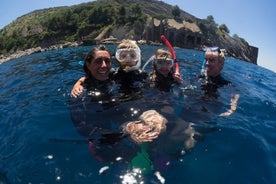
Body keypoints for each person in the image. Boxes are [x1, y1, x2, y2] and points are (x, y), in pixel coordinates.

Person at [69, 45, 161, 162]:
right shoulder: (80, 94)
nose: (104, 65)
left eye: (107, 61)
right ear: (88, 64)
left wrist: (150, 115)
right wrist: (126, 130)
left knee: (154, 133)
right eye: (98, 61)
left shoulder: (112, 80)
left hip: (120, 128)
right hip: (103, 142)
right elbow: (82, 128)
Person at [200, 46, 240, 117]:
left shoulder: (226, 84)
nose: (207, 63)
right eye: (206, 60)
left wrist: (231, 110)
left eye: (211, 60)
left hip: (209, 115)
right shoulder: (200, 77)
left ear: (221, 64)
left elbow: (235, 95)